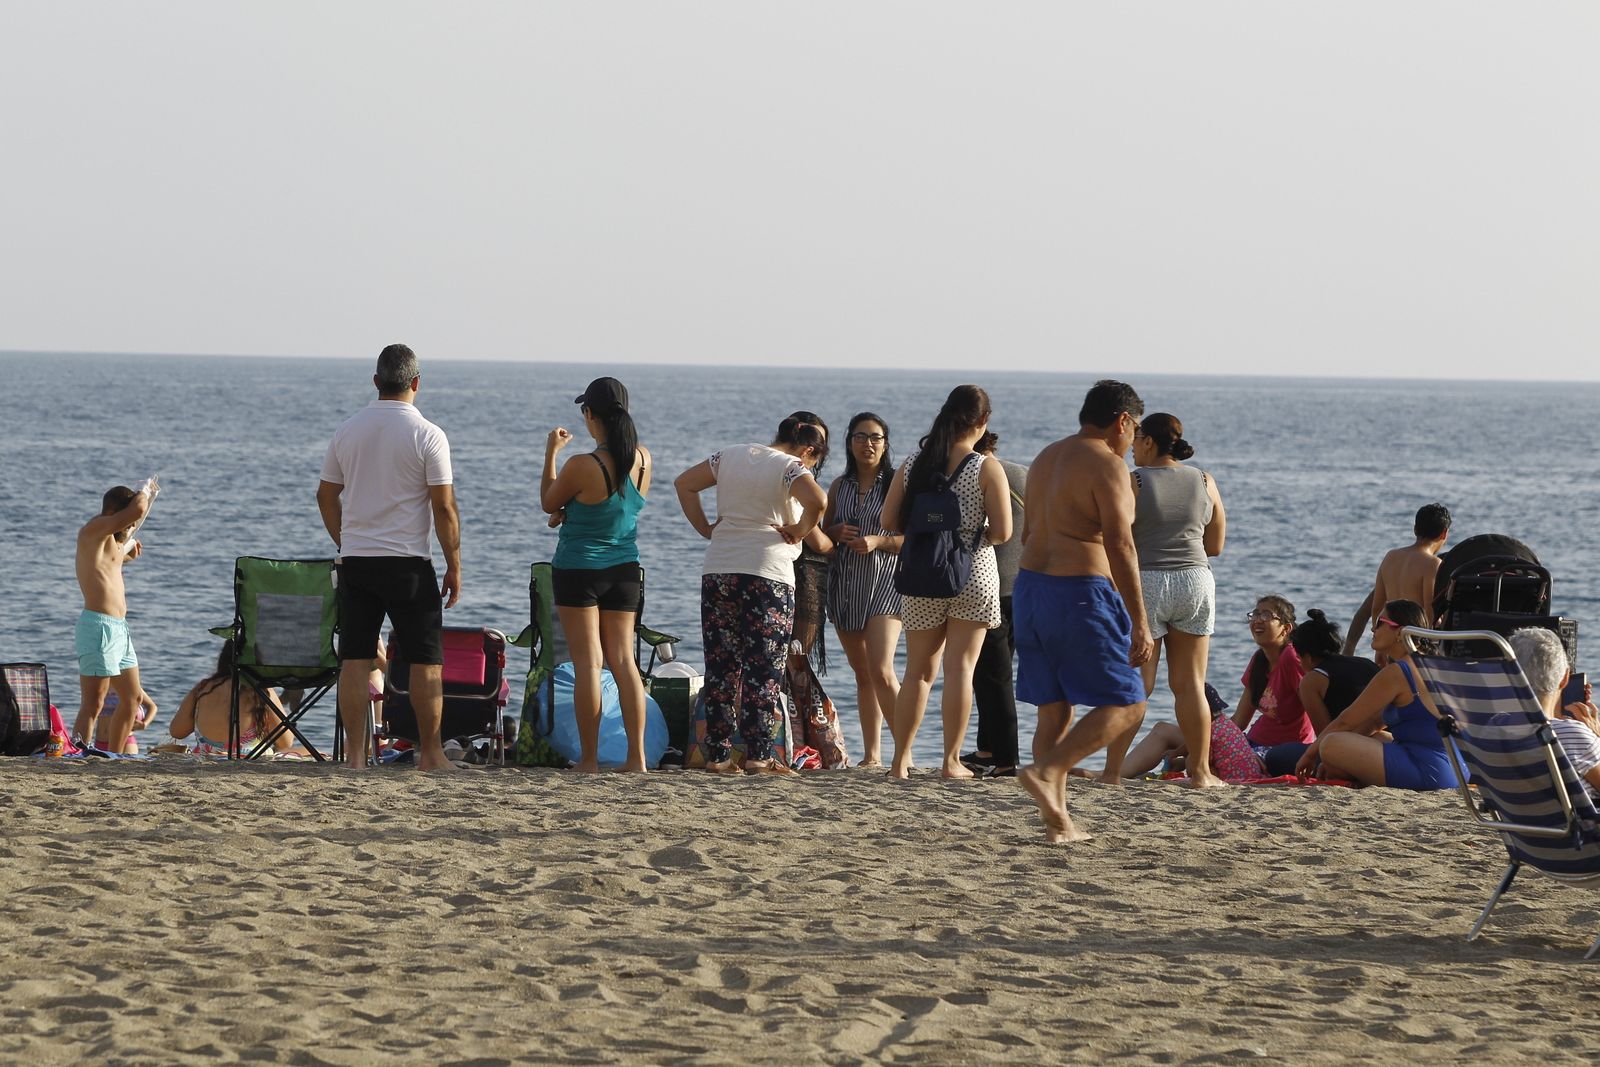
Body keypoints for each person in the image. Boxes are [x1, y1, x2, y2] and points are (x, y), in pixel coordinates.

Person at [1013, 380, 1151, 843]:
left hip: (1031, 591)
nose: (1132, 444)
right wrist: (1139, 622)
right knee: (1128, 702)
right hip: (1078, 592)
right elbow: (1121, 544)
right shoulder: (1109, 466)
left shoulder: (1046, 458)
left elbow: (1029, 532)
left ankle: (1058, 821)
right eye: (1133, 431)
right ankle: (1049, 771)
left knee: (1054, 710)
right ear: (1123, 421)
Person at [317, 343, 460, 772]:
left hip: (357, 562)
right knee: (425, 660)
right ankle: (431, 754)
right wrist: (454, 562)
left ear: (377, 382)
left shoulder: (347, 430)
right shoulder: (428, 434)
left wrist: (346, 540)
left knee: (356, 659)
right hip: (409, 564)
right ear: (416, 383)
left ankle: (357, 758)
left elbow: (326, 496)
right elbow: (444, 508)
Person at [675, 412, 829, 774]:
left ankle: (718, 757)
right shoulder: (791, 467)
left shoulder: (728, 455)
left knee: (721, 665)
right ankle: (759, 756)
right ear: (808, 450)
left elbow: (684, 484)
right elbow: (818, 502)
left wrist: (706, 529)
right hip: (767, 572)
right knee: (764, 666)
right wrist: (800, 528)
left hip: (719, 569)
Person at [882, 385, 1013, 780]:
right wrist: (973, 529)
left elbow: (889, 522)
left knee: (918, 672)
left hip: (922, 573)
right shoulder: (985, 466)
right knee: (960, 669)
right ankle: (950, 763)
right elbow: (1004, 532)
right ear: (983, 421)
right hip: (971, 572)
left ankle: (898, 763)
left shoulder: (913, 464)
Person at [541, 377, 652, 774]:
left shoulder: (581, 464)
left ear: (590, 415)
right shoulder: (643, 459)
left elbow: (548, 500)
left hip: (579, 569)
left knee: (589, 663)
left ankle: (588, 760)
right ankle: (636, 759)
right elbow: (617, 509)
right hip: (624, 569)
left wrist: (552, 452)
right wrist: (572, 512)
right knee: (625, 663)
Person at [1122, 412, 1226, 789]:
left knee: (1137, 684)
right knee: (1191, 685)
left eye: (1136, 440)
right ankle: (1201, 772)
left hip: (1147, 581)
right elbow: (1214, 545)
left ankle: (1112, 769)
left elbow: (1118, 541)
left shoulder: (1133, 480)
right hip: (1196, 581)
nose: (1132, 448)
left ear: (1149, 440)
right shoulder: (1204, 480)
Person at [1296, 599, 1459, 790]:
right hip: (1453, 768)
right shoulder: (1432, 662)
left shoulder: (1398, 672)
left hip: (1428, 770)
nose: (1373, 629)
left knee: (1330, 744)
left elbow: (1345, 721)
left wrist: (1310, 755)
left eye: (1380, 623)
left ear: (1400, 632)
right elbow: (1374, 722)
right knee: (1377, 736)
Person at [823, 412, 902, 767]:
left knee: (882, 668)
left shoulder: (897, 484)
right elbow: (823, 534)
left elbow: (913, 540)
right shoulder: (839, 485)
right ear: (849, 442)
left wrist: (878, 541)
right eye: (860, 436)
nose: (867, 444)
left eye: (875, 437)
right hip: (846, 582)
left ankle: (905, 750)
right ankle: (872, 756)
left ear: (885, 444)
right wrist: (836, 533)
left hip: (886, 581)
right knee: (863, 673)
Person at [72, 481, 159, 753]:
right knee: (93, 705)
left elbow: (108, 566)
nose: (129, 526)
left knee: (132, 699)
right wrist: (146, 489)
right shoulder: (93, 530)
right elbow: (138, 510)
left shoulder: (111, 541)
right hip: (97, 627)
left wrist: (128, 552)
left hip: (120, 629)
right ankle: (78, 754)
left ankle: (116, 757)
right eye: (125, 518)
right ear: (113, 512)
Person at [962, 431, 1027, 777]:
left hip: (990, 584)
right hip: (1023, 584)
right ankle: (988, 749)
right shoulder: (1024, 474)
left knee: (992, 675)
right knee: (993, 671)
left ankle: (1005, 757)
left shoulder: (977, 474)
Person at [1258, 608, 1381, 775]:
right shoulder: (1366, 663)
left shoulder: (1312, 681)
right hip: (1382, 742)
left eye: (1300, 658)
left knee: (1275, 756)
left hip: (1350, 749)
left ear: (1307, 657)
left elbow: (1324, 734)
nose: (1300, 664)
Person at [1343, 503, 1451, 654]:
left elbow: (1376, 607)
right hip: (1413, 645)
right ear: (1444, 534)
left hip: (1390, 642)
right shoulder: (1433, 564)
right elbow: (1429, 611)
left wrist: (1380, 649)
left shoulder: (1391, 557)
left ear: (1415, 529)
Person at [1507, 627, 1600, 800]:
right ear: (1565, 679)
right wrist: (1596, 732)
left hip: (1517, 821)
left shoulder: (1494, 729)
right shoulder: (1573, 734)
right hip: (1576, 825)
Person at [168, 648, 302, 757]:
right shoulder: (261, 691)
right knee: (306, 752)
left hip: (206, 758)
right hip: (248, 760)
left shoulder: (202, 688)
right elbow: (285, 742)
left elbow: (177, 732)